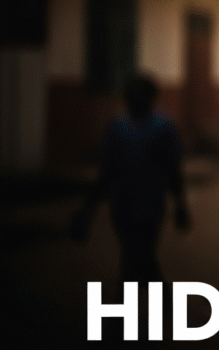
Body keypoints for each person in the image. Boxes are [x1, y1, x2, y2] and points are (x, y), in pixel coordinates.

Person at [72, 76, 191, 282]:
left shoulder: (161, 128)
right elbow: (107, 171)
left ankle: (148, 295)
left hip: (148, 204)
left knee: (135, 256)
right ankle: (159, 295)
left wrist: (181, 206)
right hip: (125, 205)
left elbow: (173, 170)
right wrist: (87, 210)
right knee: (137, 256)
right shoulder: (120, 127)